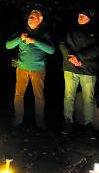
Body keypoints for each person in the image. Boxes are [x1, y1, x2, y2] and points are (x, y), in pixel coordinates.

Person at [6, 10, 55, 129]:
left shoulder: (44, 34)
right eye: (30, 17)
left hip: (38, 69)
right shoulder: (21, 31)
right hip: (22, 68)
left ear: (39, 20)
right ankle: (18, 118)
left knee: (39, 96)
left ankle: (40, 121)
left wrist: (34, 41)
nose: (30, 18)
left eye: (33, 17)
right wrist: (19, 38)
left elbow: (51, 50)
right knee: (18, 94)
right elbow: (8, 45)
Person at [59, 9, 99, 139]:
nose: (80, 17)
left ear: (89, 18)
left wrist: (80, 57)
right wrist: (70, 57)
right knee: (68, 96)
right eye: (79, 15)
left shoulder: (95, 31)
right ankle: (68, 121)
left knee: (88, 99)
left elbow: (97, 49)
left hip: (88, 68)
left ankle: (88, 124)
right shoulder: (69, 28)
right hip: (70, 67)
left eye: (83, 16)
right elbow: (62, 43)